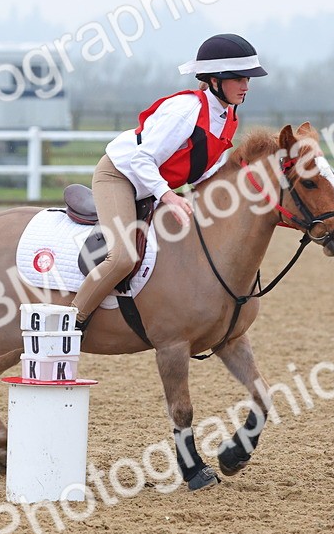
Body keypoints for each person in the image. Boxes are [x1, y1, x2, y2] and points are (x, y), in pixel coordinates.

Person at [70, 33, 267, 331]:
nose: (246, 86)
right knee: (123, 257)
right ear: (214, 81)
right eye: (239, 78)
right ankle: (70, 323)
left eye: (248, 78)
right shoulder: (185, 110)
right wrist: (170, 197)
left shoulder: (226, 116)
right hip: (120, 177)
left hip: (150, 185)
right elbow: (140, 160)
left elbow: (205, 171)